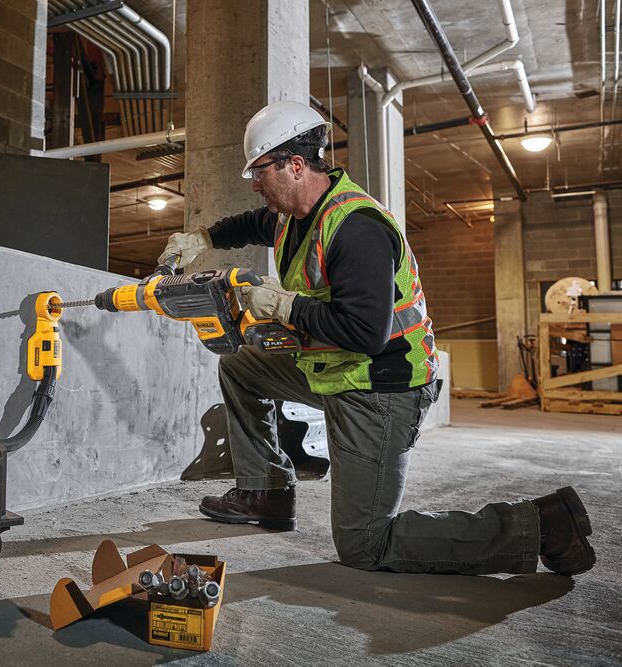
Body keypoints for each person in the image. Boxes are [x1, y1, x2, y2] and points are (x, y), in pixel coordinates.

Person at [159, 100, 596, 576]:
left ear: (296, 165)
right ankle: (265, 493)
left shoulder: (357, 228)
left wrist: (285, 305)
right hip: (339, 372)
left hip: (383, 387)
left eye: (258, 171)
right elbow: (254, 224)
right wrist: (202, 238)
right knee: (241, 364)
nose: (255, 182)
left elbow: (365, 334)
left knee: (365, 543)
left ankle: (540, 524)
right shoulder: (293, 212)